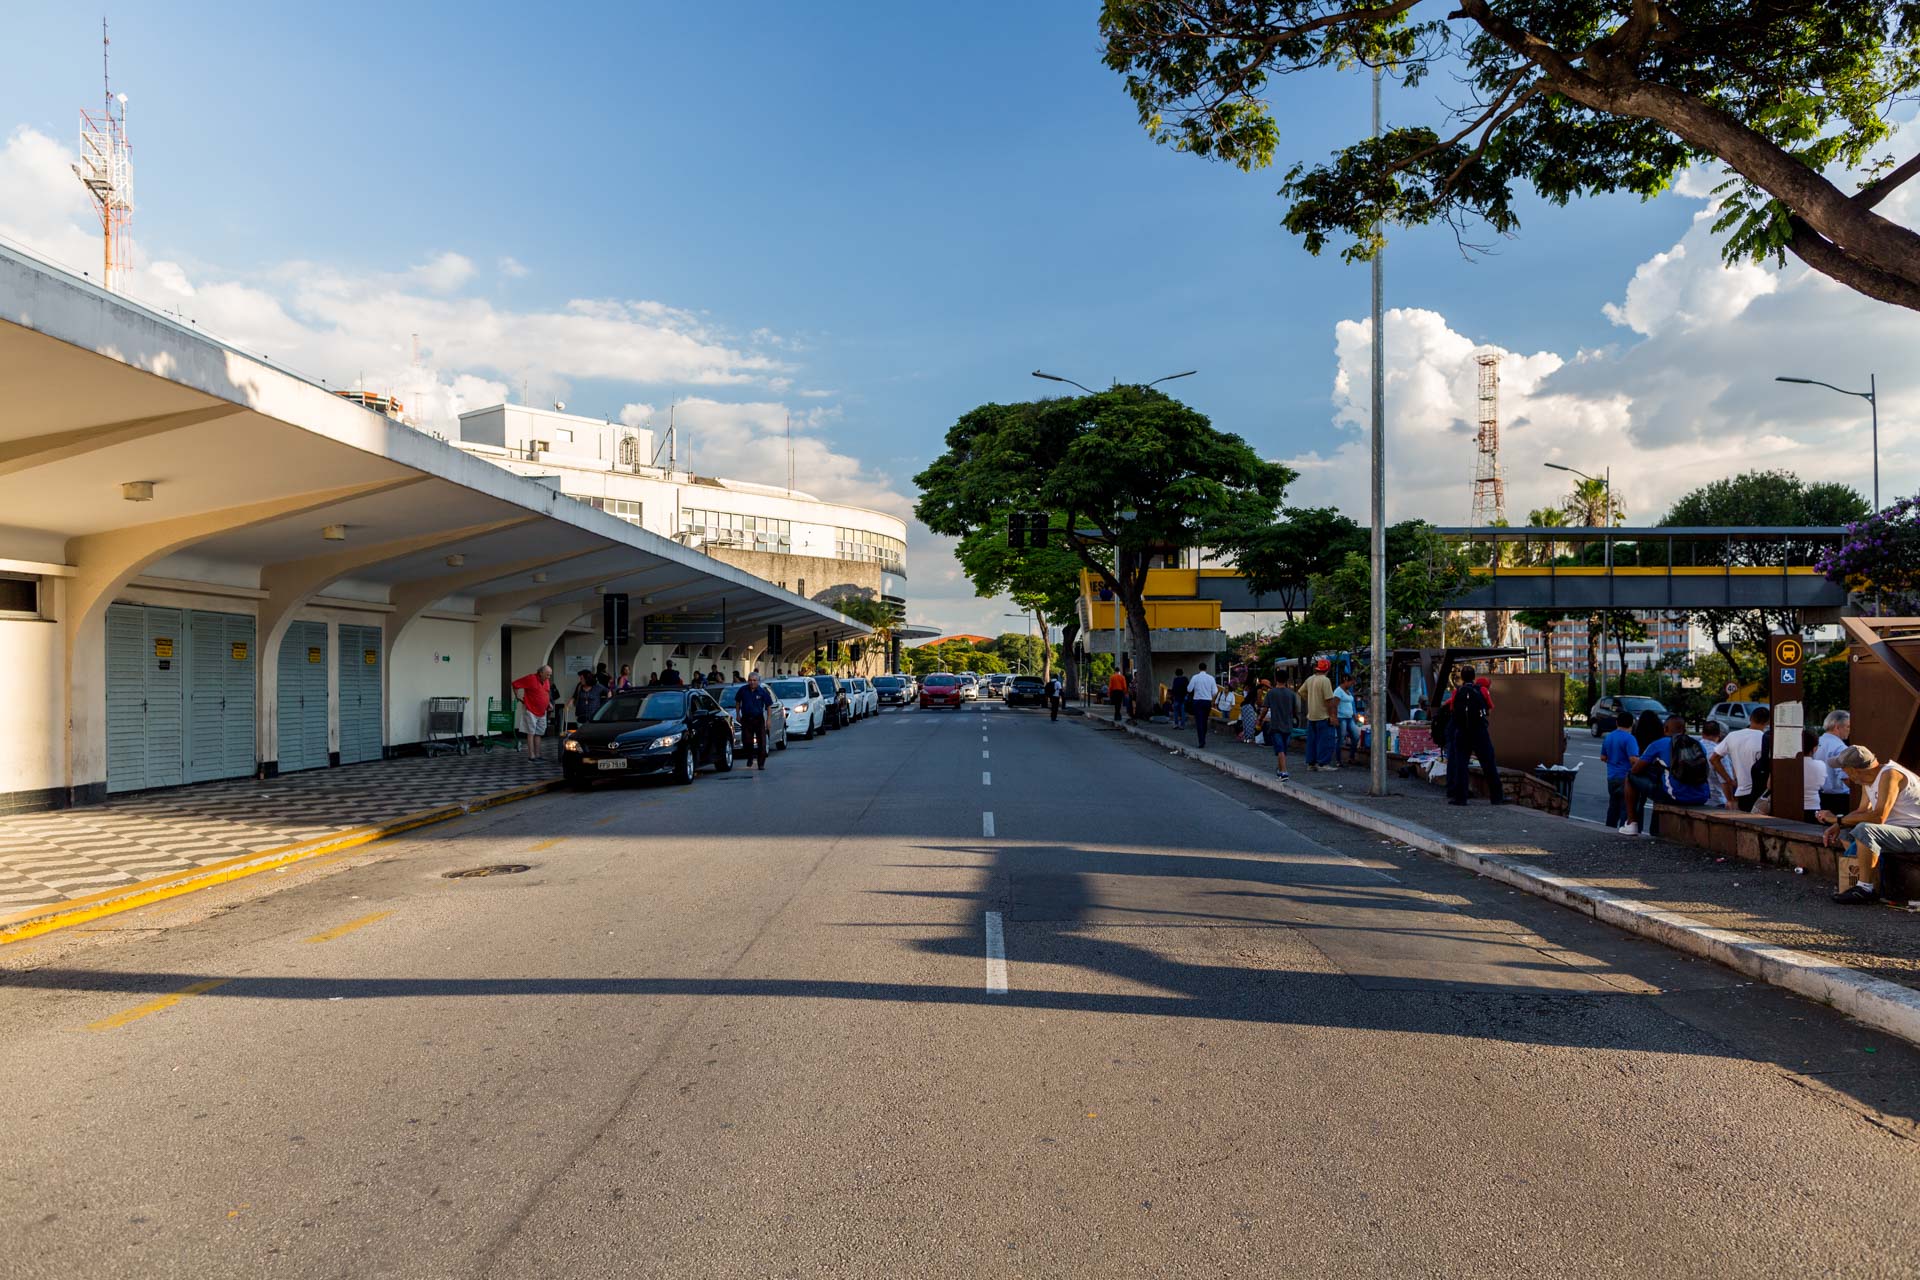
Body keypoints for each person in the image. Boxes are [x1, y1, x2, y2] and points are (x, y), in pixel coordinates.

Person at [1820, 745, 1920, 904]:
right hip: (1901, 832)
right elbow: (1861, 812)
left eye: (1844, 769)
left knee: (1865, 830)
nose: (1844, 773)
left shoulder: (1890, 774)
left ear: (1853, 770)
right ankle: (1855, 879)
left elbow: (1879, 817)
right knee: (1848, 832)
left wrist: (1836, 819)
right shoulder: (1869, 780)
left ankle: (1865, 888)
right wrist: (1839, 825)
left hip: (1916, 832)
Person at [1630, 713, 1712, 835]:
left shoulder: (1659, 744)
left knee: (1630, 777)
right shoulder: (1697, 744)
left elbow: (1635, 770)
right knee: (1664, 781)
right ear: (1684, 729)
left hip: (1676, 796)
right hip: (1701, 796)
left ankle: (1631, 823)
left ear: (1665, 729)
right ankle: (1653, 829)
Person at [1443, 663, 1503, 805]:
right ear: (1474, 677)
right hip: (1479, 732)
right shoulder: (1481, 690)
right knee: (1488, 763)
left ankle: (1460, 797)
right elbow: (1489, 707)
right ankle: (1497, 797)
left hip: (1462, 732)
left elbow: (1452, 709)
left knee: (1461, 765)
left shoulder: (1457, 692)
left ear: (1461, 677)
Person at [1710, 705, 1771, 812]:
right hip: (1760, 792)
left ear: (1750, 718)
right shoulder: (1765, 739)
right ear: (1768, 722)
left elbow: (1714, 759)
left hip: (1741, 791)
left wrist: (1729, 780)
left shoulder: (1732, 735)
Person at [1601, 711, 1640, 832]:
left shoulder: (1609, 737)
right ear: (1632, 724)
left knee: (1613, 806)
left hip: (1611, 777)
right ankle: (1623, 830)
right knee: (1626, 807)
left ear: (1617, 722)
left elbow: (1603, 757)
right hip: (1625, 778)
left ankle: (1608, 829)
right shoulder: (1630, 738)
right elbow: (1633, 759)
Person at [510, 665, 554, 762]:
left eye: (550, 675)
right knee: (531, 733)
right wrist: (518, 697)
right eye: (547, 675)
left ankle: (538, 755)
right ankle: (531, 755)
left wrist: (548, 703)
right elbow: (515, 684)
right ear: (541, 673)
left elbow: (545, 693)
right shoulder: (531, 678)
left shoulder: (546, 681)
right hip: (531, 710)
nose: (549, 677)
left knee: (539, 733)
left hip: (542, 711)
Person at [735, 671, 777, 770]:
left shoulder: (762, 691)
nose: (752, 682)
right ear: (747, 681)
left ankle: (761, 763)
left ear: (758, 681)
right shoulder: (743, 690)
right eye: (750, 680)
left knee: (762, 742)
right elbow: (737, 702)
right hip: (746, 719)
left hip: (758, 719)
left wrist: (768, 720)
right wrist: (738, 714)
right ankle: (749, 758)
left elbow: (768, 706)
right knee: (747, 741)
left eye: (754, 680)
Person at [1814, 710, 1853, 817]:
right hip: (1839, 799)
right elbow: (1845, 777)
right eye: (1848, 726)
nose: (1849, 730)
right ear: (1837, 727)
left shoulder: (1817, 742)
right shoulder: (1840, 748)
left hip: (1820, 796)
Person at [1300, 659, 1336, 771]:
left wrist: (1310, 699)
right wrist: (1332, 716)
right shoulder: (1325, 681)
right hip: (1323, 715)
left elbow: (1301, 691)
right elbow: (1329, 700)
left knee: (1312, 741)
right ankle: (1323, 764)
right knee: (1324, 741)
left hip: (1312, 716)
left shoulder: (1310, 679)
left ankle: (1311, 763)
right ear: (1327, 669)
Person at [1265, 672, 1302, 780]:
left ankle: (1283, 771)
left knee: (1280, 749)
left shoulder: (1271, 693)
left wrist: (1260, 719)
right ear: (1287, 680)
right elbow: (1295, 710)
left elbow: (1265, 708)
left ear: (1276, 679)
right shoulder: (1291, 694)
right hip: (1288, 725)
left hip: (1276, 725)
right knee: (1283, 749)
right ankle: (1281, 769)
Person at [1187, 662, 1219, 749]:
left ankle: (1201, 740)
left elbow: (1189, 689)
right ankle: (1203, 737)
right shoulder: (1211, 678)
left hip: (1197, 701)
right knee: (1204, 720)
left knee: (1199, 721)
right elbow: (1215, 691)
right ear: (1206, 668)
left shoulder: (1195, 677)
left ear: (1199, 668)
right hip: (1207, 702)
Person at [1697, 719, 1727, 807]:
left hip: (1696, 798)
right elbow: (1724, 781)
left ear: (1702, 734)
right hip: (1716, 801)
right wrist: (1730, 800)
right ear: (1719, 734)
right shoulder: (1719, 753)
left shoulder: (1694, 749)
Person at [1335, 673, 1359, 767]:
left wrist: (1354, 714)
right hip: (1341, 718)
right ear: (1345, 681)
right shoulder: (1338, 691)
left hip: (1349, 717)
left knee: (1356, 736)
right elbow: (1334, 705)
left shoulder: (1348, 691)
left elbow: (1350, 704)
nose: (1351, 685)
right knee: (1341, 739)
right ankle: (1338, 760)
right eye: (1351, 683)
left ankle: (1351, 757)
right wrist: (1334, 717)